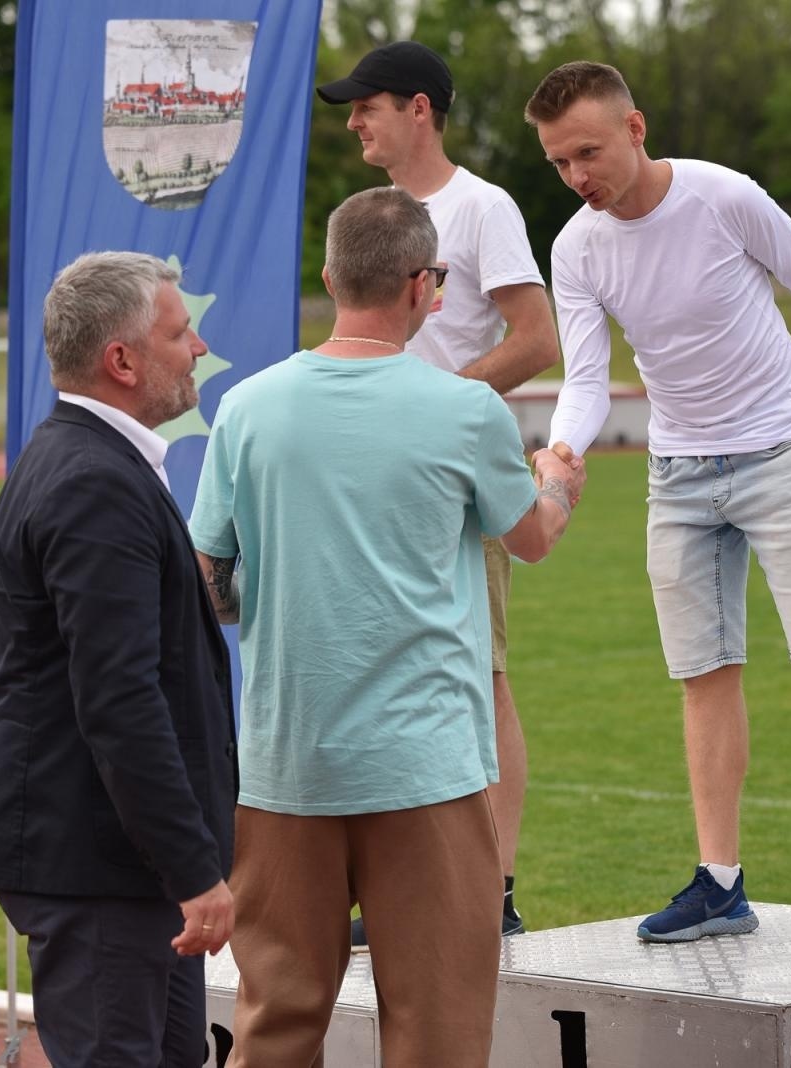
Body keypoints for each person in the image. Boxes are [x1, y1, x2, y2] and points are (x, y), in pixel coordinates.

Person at [189, 188, 581, 1068]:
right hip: (425, 769)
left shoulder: (247, 407)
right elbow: (531, 539)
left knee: (273, 1030)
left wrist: (288, 581)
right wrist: (558, 482)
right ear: (423, 286)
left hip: (287, 768)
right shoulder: (467, 409)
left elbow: (207, 583)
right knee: (437, 1033)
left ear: (331, 279)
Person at [524, 61, 791, 950]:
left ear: (635, 129)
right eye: (558, 162)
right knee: (702, 674)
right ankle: (721, 884)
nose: (576, 175)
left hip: (782, 450)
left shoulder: (722, 196)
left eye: (587, 152)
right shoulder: (576, 248)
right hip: (678, 473)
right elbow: (588, 377)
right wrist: (563, 449)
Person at [317, 40, 560, 943]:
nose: (353, 121)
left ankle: (493, 891)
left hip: (450, 476)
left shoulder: (481, 206)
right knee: (373, 672)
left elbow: (537, 339)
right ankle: (388, 888)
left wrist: (436, 405)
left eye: (367, 104)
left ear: (419, 108)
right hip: (364, 475)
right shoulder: (367, 217)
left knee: (480, 678)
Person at [0, 252, 238, 1067]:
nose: (198, 348)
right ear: (121, 360)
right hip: (99, 864)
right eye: (180, 333)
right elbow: (119, 699)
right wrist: (193, 868)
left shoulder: (93, 462)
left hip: (120, 861)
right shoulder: (94, 480)